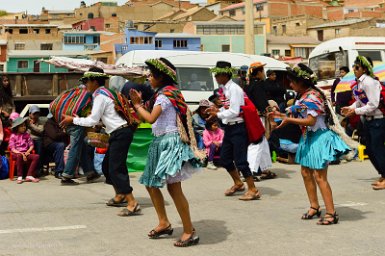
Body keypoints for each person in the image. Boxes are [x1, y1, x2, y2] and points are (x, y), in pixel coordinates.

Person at [129, 58, 201, 247]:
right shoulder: (162, 94)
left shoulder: (166, 95)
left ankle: (188, 231)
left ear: (161, 77)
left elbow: (151, 118)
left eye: (151, 75)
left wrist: (137, 105)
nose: (149, 78)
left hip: (170, 142)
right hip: (159, 142)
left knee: (174, 188)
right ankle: (164, 222)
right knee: (151, 184)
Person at [270, 63, 349, 225]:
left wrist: (288, 119)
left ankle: (331, 213)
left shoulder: (312, 96)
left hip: (319, 137)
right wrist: (279, 115)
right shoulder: (304, 95)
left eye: (292, 81)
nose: (290, 84)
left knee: (320, 177)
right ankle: (314, 206)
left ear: (301, 82)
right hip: (309, 137)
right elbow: (293, 112)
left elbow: (310, 120)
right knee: (305, 172)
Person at [61, 67, 140, 216]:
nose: (85, 85)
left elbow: (92, 120)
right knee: (106, 166)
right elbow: (104, 118)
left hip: (120, 133)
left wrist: (73, 119)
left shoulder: (100, 96)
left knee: (116, 168)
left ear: (95, 81)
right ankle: (120, 195)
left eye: (87, 81)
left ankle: (132, 202)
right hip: (119, 132)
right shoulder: (106, 93)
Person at [206, 61, 260, 201]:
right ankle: (238, 182)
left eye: (217, 74)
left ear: (225, 74)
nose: (215, 77)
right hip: (230, 127)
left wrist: (218, 114)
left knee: (241, 160)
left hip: (238, 127)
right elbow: (228, 108)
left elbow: (235, 111)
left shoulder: (234, 89)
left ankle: (253, 189)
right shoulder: (225, 89)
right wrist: (218, 111)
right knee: (225, 159)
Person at [341, 56, 385, 190]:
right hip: (367, 120)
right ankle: (383, 174)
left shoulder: (369, 82)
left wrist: (355, 111)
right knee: (370, 150)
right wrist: (351, 108)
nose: (354, 69)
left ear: (364, 69)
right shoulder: (359, 83)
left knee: (377, 149)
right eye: (354, 66)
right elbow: (360, 101)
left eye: (357, 67)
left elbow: (373, 104)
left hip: (377, 120)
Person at [9, 117, 40, 184]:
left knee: (36, 156)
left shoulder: (27, 135)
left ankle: (29, 175)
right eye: (22, 126)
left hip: (25, 153)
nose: (24, 127)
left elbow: (31, 145)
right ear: (17, 127)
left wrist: (28, 152)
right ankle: (19, 176)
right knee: (19, 155)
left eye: (24, 126)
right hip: (16, 154)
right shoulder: (13, 136)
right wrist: (21, 154)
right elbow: (12, 148)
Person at [43, 113, 68, 179]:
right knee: (60, 146)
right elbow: (54, 136)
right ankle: (59, 171)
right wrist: (64, 133)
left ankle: (70, 171)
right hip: (50, 144)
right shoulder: (49, 123)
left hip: (59, 143)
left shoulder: (60, 123)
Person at [27, 105, 45, 176]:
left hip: (37, 139)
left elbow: (41, 130)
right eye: (34, 113)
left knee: (39, 147)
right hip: (27, 140)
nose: (36, 115)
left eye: (37, 113)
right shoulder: (26, 120)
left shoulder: (41, 121)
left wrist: (31, 125)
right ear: (30, 114)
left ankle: (39, 169)